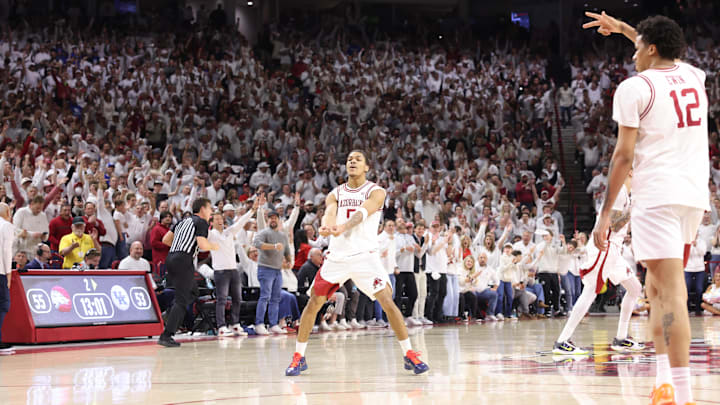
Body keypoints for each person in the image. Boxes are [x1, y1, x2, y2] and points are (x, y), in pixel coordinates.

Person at [585, 12, 708, 405]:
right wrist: (623, 29)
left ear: (651, 49)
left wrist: (605, 213)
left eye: (638, 46)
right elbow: (656, 46)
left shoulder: (634, 87)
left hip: (656, 195)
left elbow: (622, 157)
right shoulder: (694, 76)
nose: (633, 53)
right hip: (691, 197)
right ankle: (663, 383)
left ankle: (682, 393)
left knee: (669, 294)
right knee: (656, 289)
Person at [286, 150, 428, 376]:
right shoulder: (336, 192)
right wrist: (328, 225)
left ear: (366, 168)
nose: (352, 161)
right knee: (313, 303)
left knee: (387, 301)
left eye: (357, 159)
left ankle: (409, 353)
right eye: (349, 159)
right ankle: (299, 357)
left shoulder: (376, 191)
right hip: (337, 257)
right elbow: (330, 213)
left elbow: (363, 212)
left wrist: (343, 227)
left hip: (365, 256)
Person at [553, 174, 644, 354]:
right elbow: (615, 225)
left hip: (614, 249)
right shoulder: (619, 192)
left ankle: (621, 338)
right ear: (631, 173)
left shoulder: (626, 194)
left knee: (634, 289)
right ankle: (562, 341)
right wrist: (635, 209)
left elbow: (620, 226)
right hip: (604, 247)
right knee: (590, 292)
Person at [157, 198, 219, 347]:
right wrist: (215, 246)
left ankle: (170, 315)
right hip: (184, 260)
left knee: (192, 292)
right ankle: (166, 335)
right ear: (203, 209)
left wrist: (181, 246)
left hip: (171, 258)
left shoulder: (182, 221)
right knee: (182, 299)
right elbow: (203, 244)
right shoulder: (201, 222)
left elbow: (166, 240)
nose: (211, 212)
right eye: (210, 208)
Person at [208, 199, 257, 337]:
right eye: (216, 219)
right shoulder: (211, 235)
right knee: (222, 299)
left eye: (220, 218)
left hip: (233, 270)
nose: (219, 221)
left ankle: (234, 324)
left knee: (237, 298)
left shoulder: (229, 231)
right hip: (220, 271)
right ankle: (221, 326)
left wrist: (252, 210)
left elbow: (241, 222)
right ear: (211, 222)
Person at [253, 210, 292, 335]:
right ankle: (259, 323)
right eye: (270, 218)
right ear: (267, 220)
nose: (273, 220)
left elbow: (286, 250)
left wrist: (289, 261)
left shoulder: (283, 235)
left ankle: (273, 324)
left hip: (277, 270)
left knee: (276, 298)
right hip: (265, 268)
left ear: (278, 220)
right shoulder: (263, 232)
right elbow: (257, 244)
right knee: (265, 296)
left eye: (275, 218)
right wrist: (273, 246)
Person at [0, 203, 15, 354]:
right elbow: (6, 251)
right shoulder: (6, 226)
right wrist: (8, 275)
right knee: (3, 304)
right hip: (0, 271)